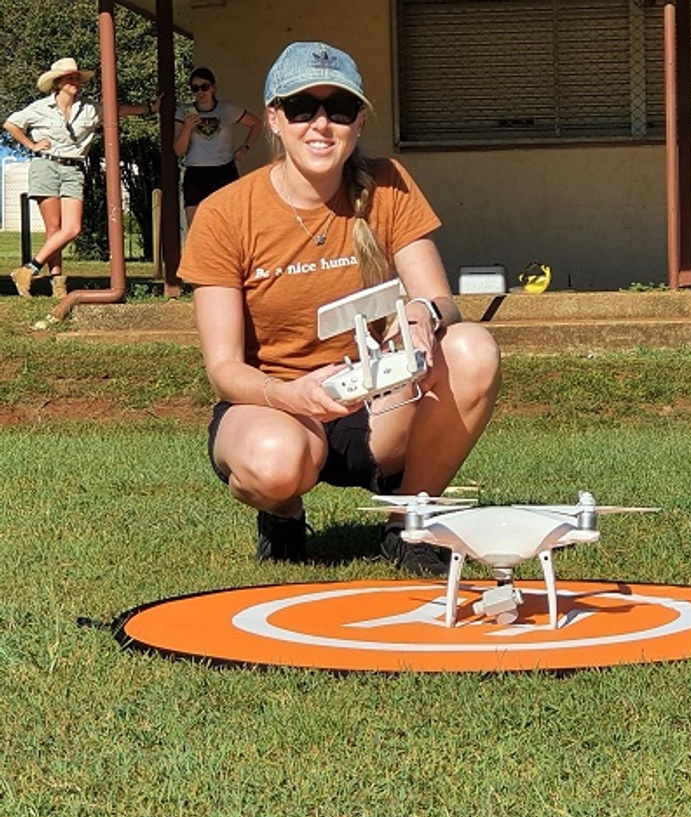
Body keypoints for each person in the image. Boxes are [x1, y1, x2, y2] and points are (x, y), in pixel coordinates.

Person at [178, 41, 501, 576]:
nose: (321, 125)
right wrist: (289, 394)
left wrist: (424, 315)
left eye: (339, 109)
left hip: (376, 402)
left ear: (359, 121)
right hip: (276, 403)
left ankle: (409, 523)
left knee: (472, 349)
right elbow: (224, 369)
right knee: (273, 463)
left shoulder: (388, 184)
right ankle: (282, 515)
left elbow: (442, 301)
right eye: (303, 108)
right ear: (276, 119)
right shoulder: (225, 213)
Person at [3, 57, 161, 299]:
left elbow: (117, 111)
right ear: (58, 83)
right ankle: (58, 284)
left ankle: (28, 269)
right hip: (45, 166)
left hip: (73, 169)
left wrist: (149, 108)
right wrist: (32, 144)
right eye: (70, 77)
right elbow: (11, 124)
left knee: (72, 227)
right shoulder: (39, 108)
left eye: (77, 77)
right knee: (54, 228)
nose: (76, 81)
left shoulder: (89, 108)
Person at [173, 67, 262, 226]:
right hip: (196, 172)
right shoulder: (184, 112)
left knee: (229, 225)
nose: (201, 92)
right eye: (195, 88)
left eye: (204, 87)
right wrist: (187, 128)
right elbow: (178, 150)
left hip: (223, 171)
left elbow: (256, 124)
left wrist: (245, 147)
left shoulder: (227, 109)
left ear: (213, 88)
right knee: (196, 228)